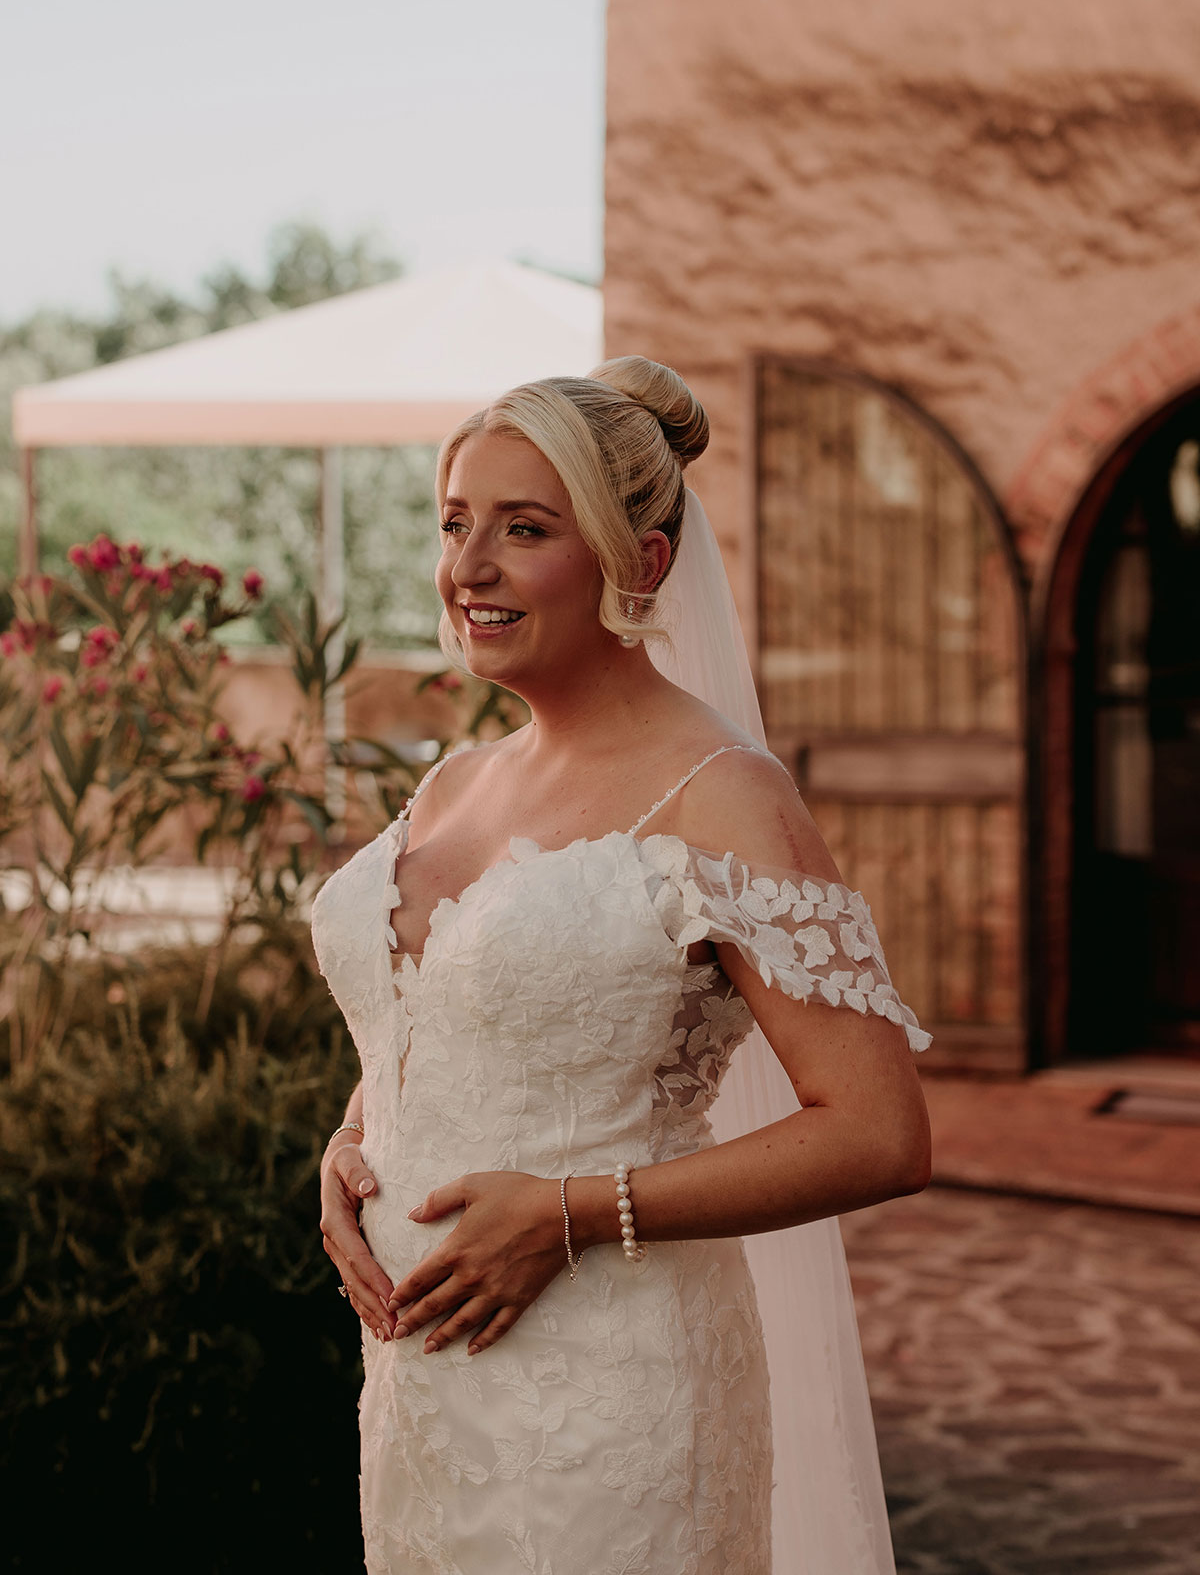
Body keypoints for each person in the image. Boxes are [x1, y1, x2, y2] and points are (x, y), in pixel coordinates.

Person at [312, 356, 931, 1575]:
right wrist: (350, 1147)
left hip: (616, 1391)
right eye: (456, 524)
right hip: (427, 1390)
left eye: (524, 529)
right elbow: (435, 1021)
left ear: (640, 564)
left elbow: (878, 1131)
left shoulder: (723, 796)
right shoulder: (454, 781)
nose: (467, 568)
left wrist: (567, 1215)